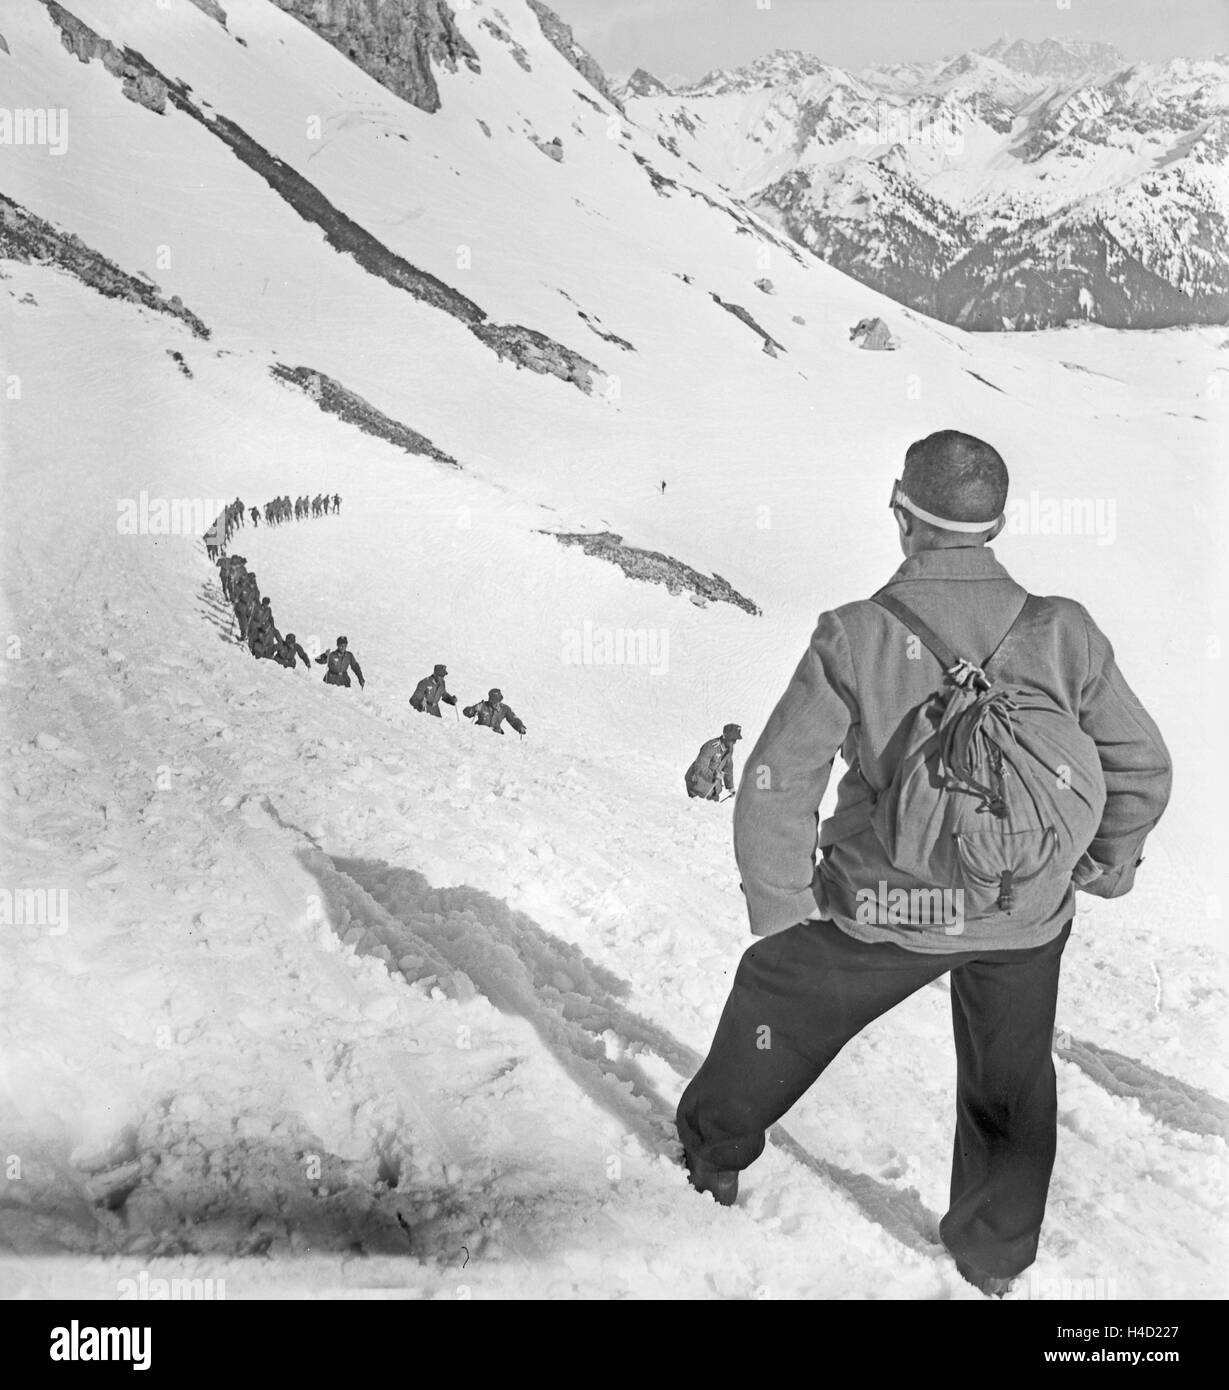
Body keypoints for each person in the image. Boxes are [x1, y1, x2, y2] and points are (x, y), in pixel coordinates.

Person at [675, 430, 1172, 1298]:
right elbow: (1140, 764)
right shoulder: (1062, 630)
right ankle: (992, 1257)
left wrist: (784, 904)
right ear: (997, 524)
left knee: (776, 999)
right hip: (1025, 912)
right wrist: (1101, 863)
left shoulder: (856, 635)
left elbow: (775, 781)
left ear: (901, 513)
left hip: (889, 910)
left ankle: (713, 1154)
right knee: (1009, 1078)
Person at [685, 725, 741, 800]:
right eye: (732, 739)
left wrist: (730, 787)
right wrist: (713, 776)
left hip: (712, 788)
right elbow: (699, 766)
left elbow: (728, 768)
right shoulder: (711, 747)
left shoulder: (729, 749)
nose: (734, 743)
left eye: (735, 740)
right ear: (724, 736)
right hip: (696, 787)